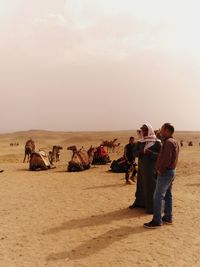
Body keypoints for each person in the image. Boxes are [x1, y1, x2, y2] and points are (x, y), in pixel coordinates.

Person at [144, 123, 179, 228]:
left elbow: (166, 159)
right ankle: (168, 217)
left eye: (162, 130)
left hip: (165, 172)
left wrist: (160, 170)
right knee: (168, 195)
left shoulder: (168, 142)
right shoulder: (175, 141)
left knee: (158, 196)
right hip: (171, 171)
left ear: (167, 131)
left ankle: (157, 220)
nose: (160, 131)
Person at [129, 123, 161, 213]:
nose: (144, 132)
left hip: (151, 169)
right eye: (143, 130)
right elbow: (134, 153)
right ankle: (140, 203)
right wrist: (141, 152)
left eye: (145, 130)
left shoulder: (157, 143)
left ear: (150, 130)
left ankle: (152, 208)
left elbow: (160, 156)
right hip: (142, 169)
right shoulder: (140, 142)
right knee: (141, 185)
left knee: (151, 186)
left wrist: (150, 153)